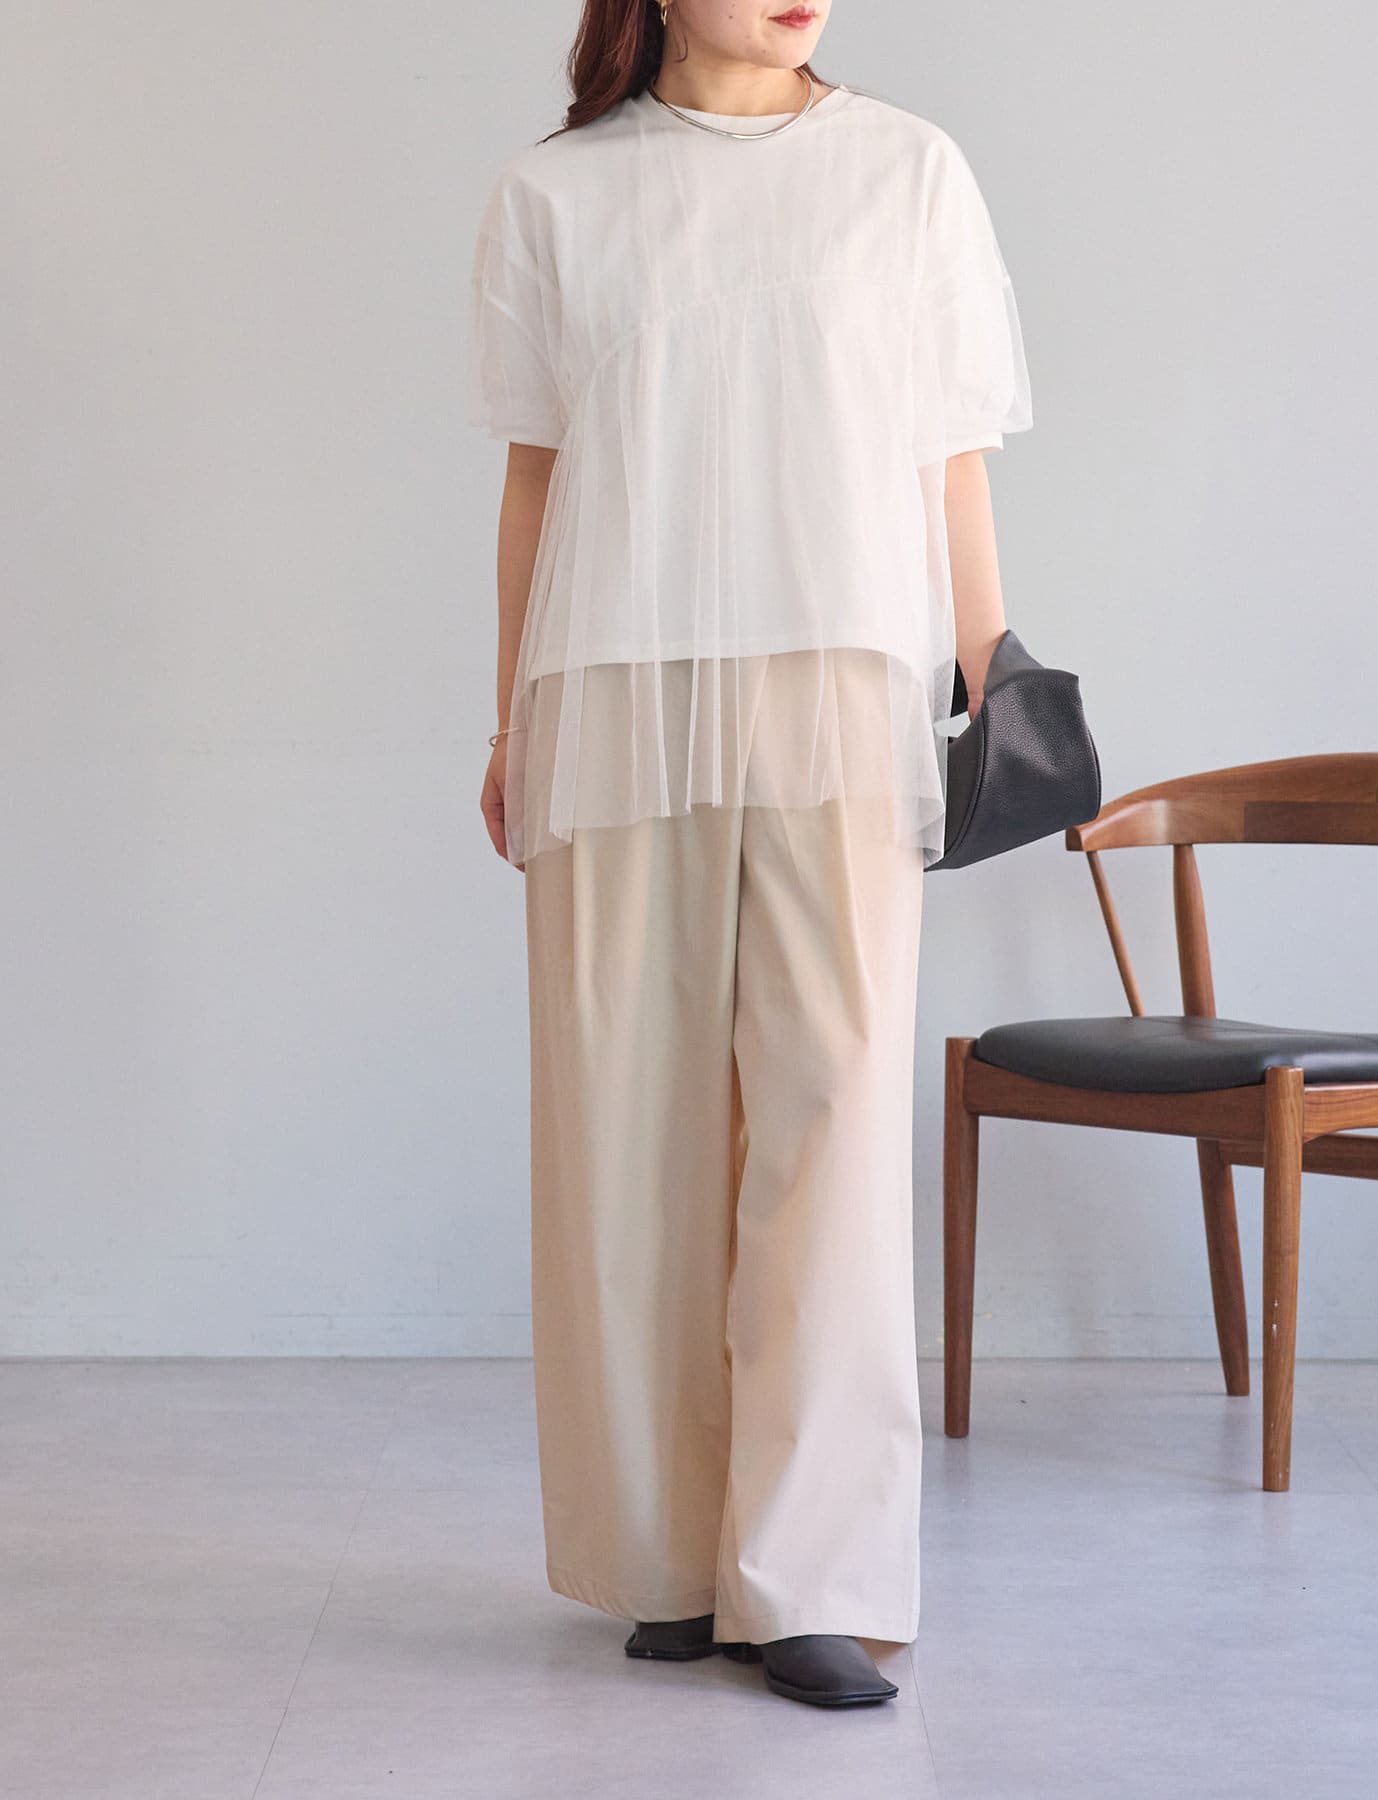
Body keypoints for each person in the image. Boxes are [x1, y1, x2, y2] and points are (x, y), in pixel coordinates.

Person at [470, 0, 1031, 1709]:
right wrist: (507, 722)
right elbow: (535, 480)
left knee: (832, 1112)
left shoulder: (906, 172)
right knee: (623, 1124)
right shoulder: (557, 193)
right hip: (614, 683)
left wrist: (994, 679)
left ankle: (809, 1577)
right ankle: (663, 1555)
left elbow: (950, 460)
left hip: (843, 684)